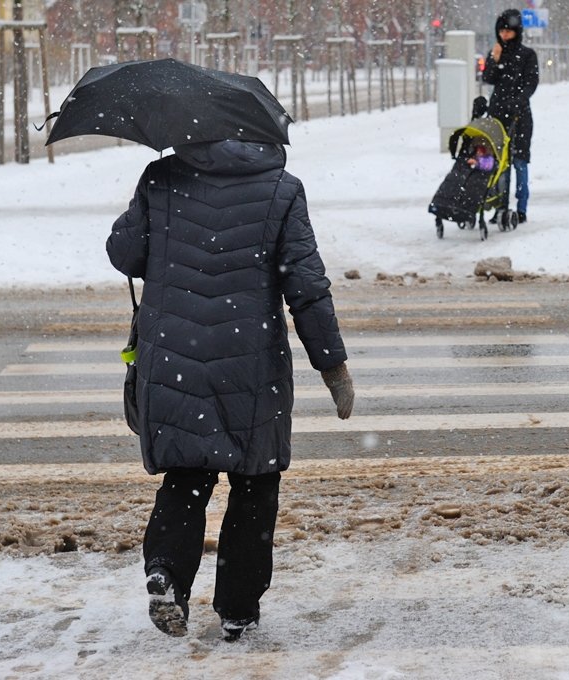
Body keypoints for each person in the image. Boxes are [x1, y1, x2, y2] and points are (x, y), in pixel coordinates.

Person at [106, 138, 354, 641]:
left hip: (174, 353)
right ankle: (238, 609)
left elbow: (124, 254)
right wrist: (333, 367)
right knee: (255, 483)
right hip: (251, 364)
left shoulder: (161, 177)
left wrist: (144, 207)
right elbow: (306, 286)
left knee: (186, 476)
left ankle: (166, 574)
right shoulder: (281, 189)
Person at [481, 8, 539, 224]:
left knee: (519, 161)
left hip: (520, 116)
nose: (504, 35)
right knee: (498, 163)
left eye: (509, 31)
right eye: (502, 31)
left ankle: (521, 208)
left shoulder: (527, 55)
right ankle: (500, 206)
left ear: (517, 32)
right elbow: (488, 78)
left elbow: (531, 83)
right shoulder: (496, 52)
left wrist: (518, 102)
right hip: (497, 115)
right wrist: (494, 60)